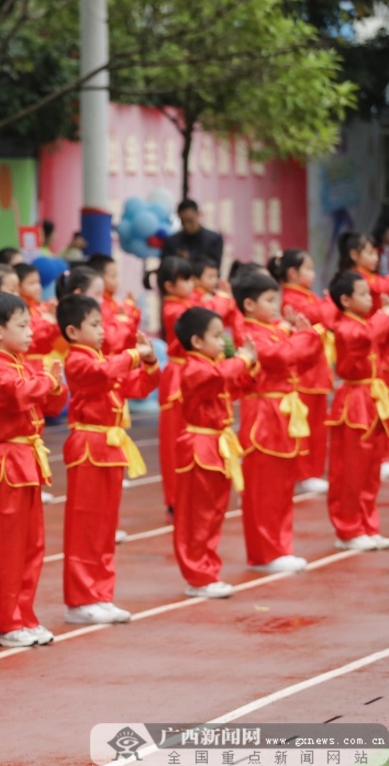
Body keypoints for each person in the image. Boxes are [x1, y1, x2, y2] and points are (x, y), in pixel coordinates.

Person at [58, 294, 159, 625]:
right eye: (93, 325)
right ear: (73, 331)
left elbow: (139, 386)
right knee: (84, 526)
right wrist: (132, 354)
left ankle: (100, 593)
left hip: (110, 446)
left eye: (101, 323)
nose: (101, 330)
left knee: (104, 526)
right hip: (89, 445)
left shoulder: (104, 360)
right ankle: (80, 599)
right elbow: (103, 372)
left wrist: (148, 363)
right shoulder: (78, 361)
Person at [0, 292, 65, 648]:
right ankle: (1, 622)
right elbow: (17, 394)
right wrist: (48, 382)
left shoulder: (19, 362)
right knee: (4, 547)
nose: (31, 332)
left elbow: (48, 400)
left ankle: (23, 615)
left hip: (25, 461)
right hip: (5, 463)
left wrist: (53, 384)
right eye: (23, 325)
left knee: (30, 545)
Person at [231, 272, 321, 572]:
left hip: (283, 412)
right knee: (263, 488)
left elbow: (304, 359)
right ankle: (264, 552)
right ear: (248, 304)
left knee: (282, 486)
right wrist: (305, 336)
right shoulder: (248, 334)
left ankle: (281, 547)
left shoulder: (274, 330)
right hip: (264, 414)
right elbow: (283, 357)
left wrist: (303, 337)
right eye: (269, 301)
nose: (275, 306)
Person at [172, 307, 259, 598]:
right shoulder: (195, 368)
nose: (223, 342)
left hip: (217, 445)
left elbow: (233, 384)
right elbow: (219, 376)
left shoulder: (213, 365)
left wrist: (250, 365)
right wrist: (243, 359)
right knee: (198, 514)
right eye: (217, 335)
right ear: (196, 341)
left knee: (214, 513)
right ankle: (198, 574)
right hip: (200, 445)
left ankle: (208, 569)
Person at [324, 270, 389, 551]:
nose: (369, 299)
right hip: (355, 400)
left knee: (370, 468)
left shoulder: (363, 321)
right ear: (346, 300)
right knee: (351, 469)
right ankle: (348, 528)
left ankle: (366, 524)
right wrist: (385, 314)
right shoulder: (346, 327)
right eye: (363, 295)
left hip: (371, 397)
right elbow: (366, 336)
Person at [270, 249, 334, 492]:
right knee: (305, 425)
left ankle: (314, 471)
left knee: (318, 425)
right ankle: (304, 472)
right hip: (304, 373)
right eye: (307, 268)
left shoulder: (308, 296)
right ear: (292, 273)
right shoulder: (292, 300)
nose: (313, 273)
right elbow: (324, 317)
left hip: (316, 370)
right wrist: (329, 302)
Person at [149, 256, 196, 517]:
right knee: (174, 441)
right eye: (186, 279)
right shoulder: (173, 309)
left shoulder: (186, 304)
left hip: (189, 371)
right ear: (169, 285)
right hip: (178, 374)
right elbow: (199, 318)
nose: (192, 284)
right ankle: (175, 497)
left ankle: (188, 493)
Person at [85, 254, 141, 356]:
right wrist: (127, 311)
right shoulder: (100, 305)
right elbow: (112, 340)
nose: (117, 281)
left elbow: (130, 335)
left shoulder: (114, 302)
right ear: (99, 278)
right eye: (113, 276)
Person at [164, 199, 224, 266]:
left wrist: (190, 259)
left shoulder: (214, 240)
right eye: (183, 222)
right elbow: (165, 267)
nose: (187, 226)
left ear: (198, 214)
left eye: (190, 221)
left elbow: (215, 267)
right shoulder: (172, 242)